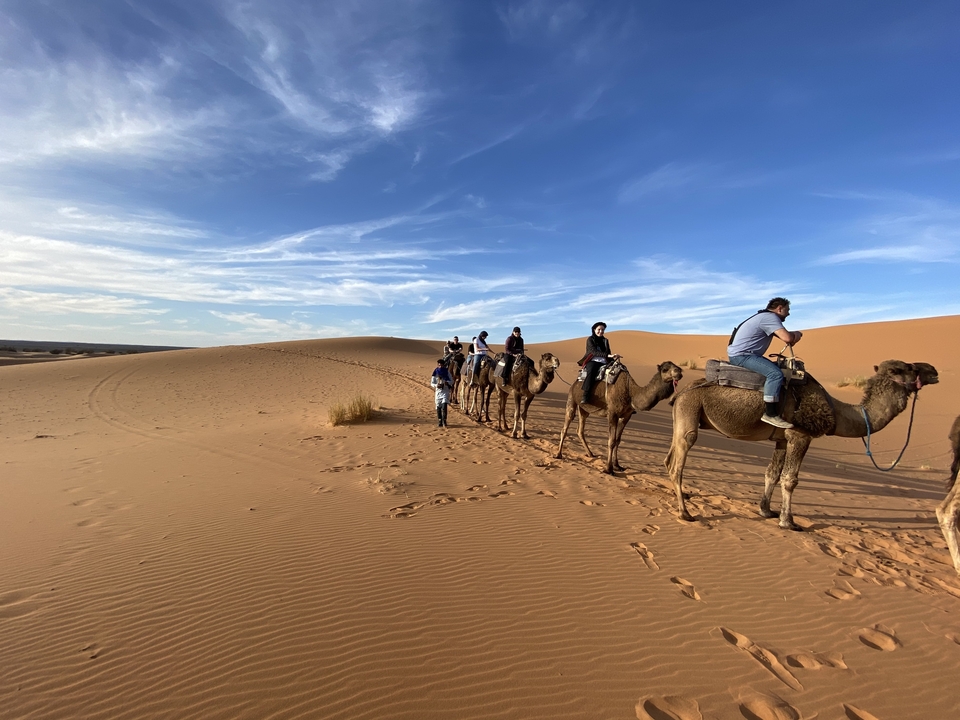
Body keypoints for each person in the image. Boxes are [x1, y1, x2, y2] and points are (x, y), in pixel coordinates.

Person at [726, 297, 803, 429]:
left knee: (777, 368)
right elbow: (787, 338)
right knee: (775, 374)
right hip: (743, 356)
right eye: (787, 310)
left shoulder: (764, 318)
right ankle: (770, 413)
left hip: (744, 354)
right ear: (779, 308)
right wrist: (797, 334)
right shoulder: (770, 318)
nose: (788, 313)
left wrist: (791, 336)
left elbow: (784, 337)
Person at [579, 321, 615, 405]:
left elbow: (608, 352)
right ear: (594, 330)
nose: (601, 331)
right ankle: (585, 395)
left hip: (604, 362)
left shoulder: (605, 341)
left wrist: (613, 357)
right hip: (592, 361)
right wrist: (608, 355)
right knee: (591, 371)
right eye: (599, 329)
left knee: (620, 369)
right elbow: (593, 352)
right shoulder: (590, 339)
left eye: (603, 329)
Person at [431, 358, 453, 427]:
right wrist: (436, 385)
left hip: (445, 391)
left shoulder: (447, 372)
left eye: (442, 365)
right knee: (438, 407)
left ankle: (444, 420)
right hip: (438, 392)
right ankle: (440, 420)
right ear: (438, 365)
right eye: (439, 365)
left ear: (444, 365)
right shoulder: (435, 372)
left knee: (444, 406)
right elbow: (432, 383)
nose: (440, 367)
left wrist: (447, 383)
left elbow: (452, 381)